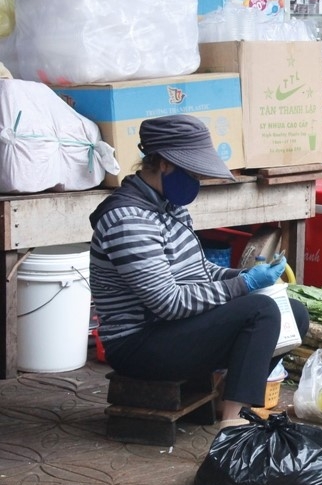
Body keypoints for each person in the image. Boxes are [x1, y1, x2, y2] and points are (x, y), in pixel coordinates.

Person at [88, 114, 309, 428]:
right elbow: (170, 302)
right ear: (164, 164)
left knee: (293, 313)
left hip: (174, 330)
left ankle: (229, 400)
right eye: (192, 172)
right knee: (260, 311)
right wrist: (245, 285)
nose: (197, 181)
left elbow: (198, 270)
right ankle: (233, 424)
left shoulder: (169, 207)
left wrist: (240, 276)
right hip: (138, 344)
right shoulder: (128, 219)